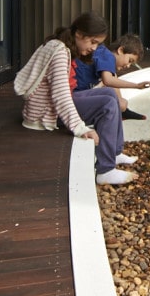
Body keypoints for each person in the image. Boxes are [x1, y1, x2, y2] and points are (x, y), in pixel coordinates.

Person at [14, 10, 137, 186]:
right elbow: (60, 95)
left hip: (53, 106)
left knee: (109, 94)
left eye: (97, 43)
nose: (94, 48)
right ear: (79, 34)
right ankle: (105, 170)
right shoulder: (59, 52)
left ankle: (114, 153)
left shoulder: (61, 46)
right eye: (93, 42)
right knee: (107, 102)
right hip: (46, 114)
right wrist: (80, 128)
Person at [76, 32, 150, 120]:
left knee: (115, 85)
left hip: (79, 94)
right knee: (121, 104)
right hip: (76, 98)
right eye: (129, 60)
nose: (128, 66)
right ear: (120, 50)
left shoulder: (103, 53)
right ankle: (122, 112)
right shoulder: (107, 55)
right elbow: (108, 80)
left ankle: (123, 112)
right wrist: (136, 86)